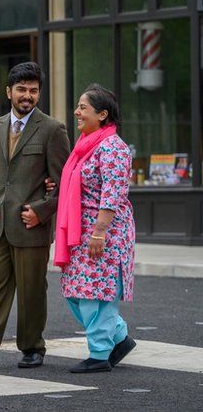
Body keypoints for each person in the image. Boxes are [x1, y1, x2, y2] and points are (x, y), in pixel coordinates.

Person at [0, 61, 70, 372]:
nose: (27, 96)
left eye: (33, 91)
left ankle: (33, 348)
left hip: (30, 226)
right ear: (9, 92)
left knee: (33, 290)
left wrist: (42, 210)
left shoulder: (52, 129)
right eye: (21, 89)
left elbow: (64, 184)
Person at [54, 84, 137, 373]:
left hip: (104, 233)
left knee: (97, 295)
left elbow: (112, 194)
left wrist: (99, 232)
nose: (76, 112)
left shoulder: (113, 148)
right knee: (76, 291)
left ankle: (100, 354)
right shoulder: (85, 145)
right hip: (81, 231)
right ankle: (119, 337)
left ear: (102, 115)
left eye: (83, 108)